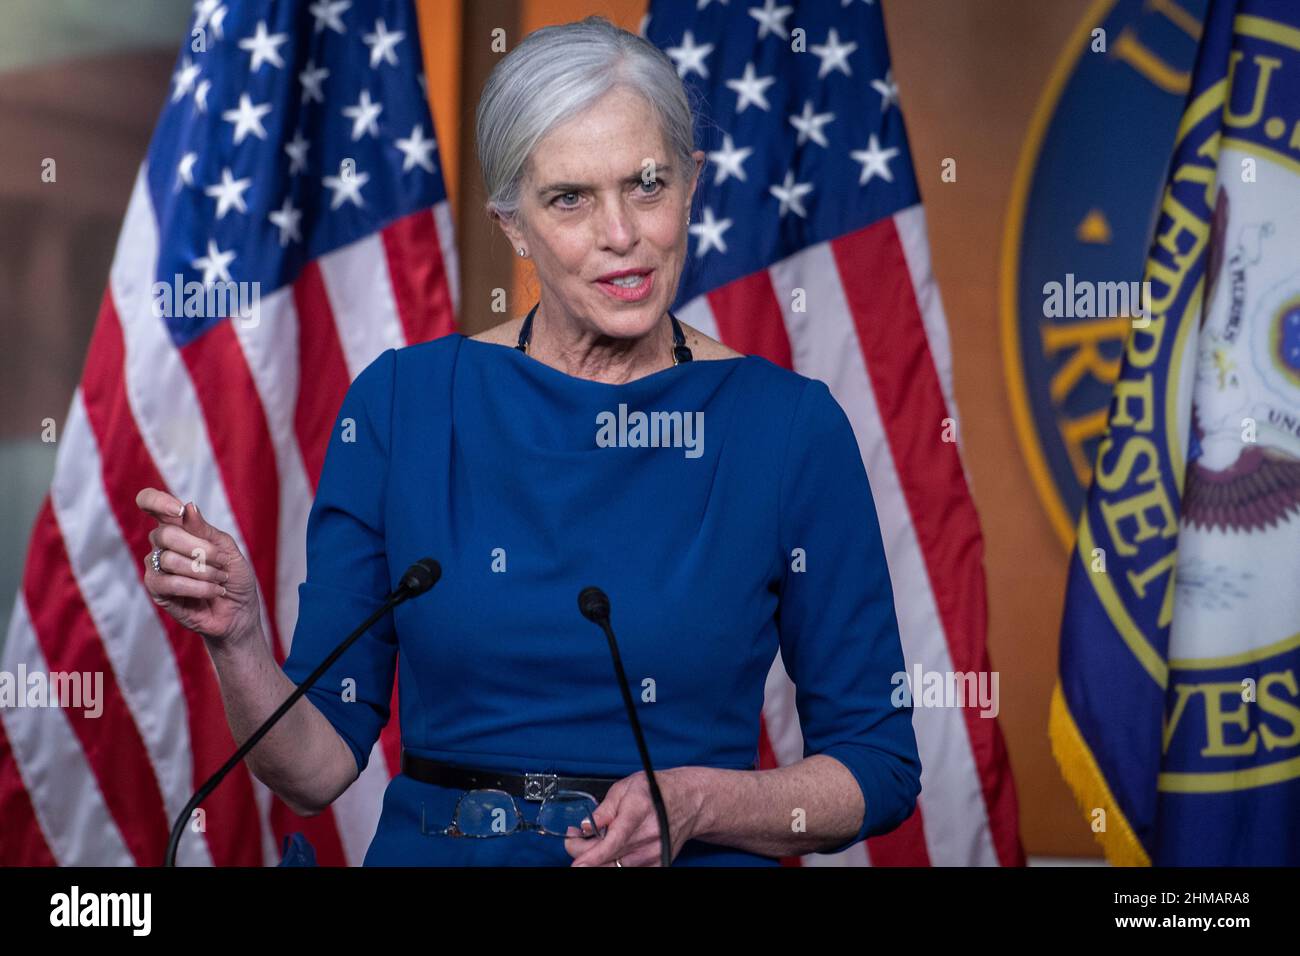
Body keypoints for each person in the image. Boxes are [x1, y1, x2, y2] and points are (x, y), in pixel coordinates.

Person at [136, 15, 920, 867]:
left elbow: (875, 767)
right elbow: (314, 770)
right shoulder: (404, 406)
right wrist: (240, 640)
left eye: (647, 185)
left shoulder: (789, 428)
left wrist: (698, 803)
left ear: (692, 184)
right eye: (571, 199)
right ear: (514, 225)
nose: (621, 233)